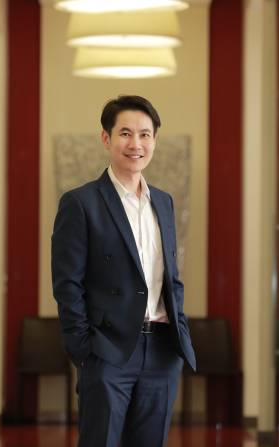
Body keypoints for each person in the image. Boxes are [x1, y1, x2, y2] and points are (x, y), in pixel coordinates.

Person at [51, 95, 196, 447]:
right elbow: (67, 284)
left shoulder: (164, 202)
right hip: (107, 352)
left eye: (145, 134)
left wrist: (180, 333)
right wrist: (84, 350)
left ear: (154, 140)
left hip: (162, 351)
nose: (136, 144)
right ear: (106, 138)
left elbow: (171, 278)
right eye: (126, 133)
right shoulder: (80, 203)